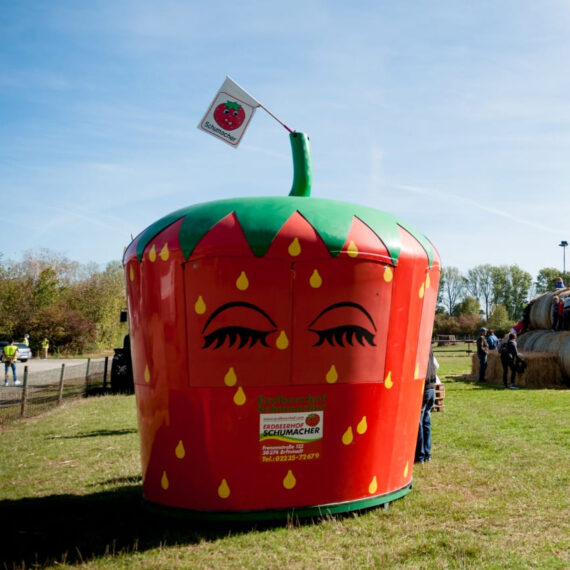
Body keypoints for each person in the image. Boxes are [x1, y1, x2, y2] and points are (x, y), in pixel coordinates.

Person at [415, 348, 437, 463]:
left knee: (419, 422)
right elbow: (436, 365)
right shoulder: (429, 347)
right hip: (431, 388)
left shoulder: (420, 347)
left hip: (423, 388)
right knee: (426, 422)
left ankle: (420, 455)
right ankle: (427, 454)